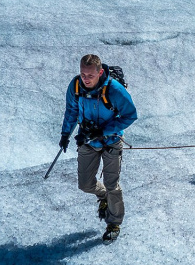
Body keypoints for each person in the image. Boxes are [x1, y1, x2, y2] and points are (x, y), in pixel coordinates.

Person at [59, 54, 138, 243]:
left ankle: (114, 223)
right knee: (85, 184)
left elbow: (130, 115)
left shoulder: (115, 90)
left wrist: (103, 130)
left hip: (111, 141)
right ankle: (103, 196)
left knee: (112, 184)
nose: (85, 79)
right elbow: (71, 110)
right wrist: (65, 134)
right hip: (87, 140)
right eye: (82, 74)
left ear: (100, 72)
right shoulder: (76, 86)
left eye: (90, 75)